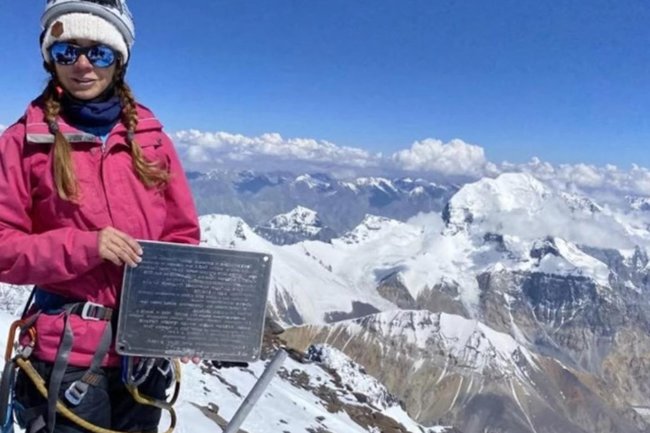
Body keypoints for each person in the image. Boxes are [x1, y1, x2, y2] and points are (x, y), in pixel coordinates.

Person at [0, 0, 200, 432]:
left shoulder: (152, 141)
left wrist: (178, 317)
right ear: (50, 59)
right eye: (66, 51)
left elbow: (181, 238)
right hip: (64, 354)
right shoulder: (22, 142)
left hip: (142, 353)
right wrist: (86, 246)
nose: (82, 64)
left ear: (119, 60)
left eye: (99, 52)